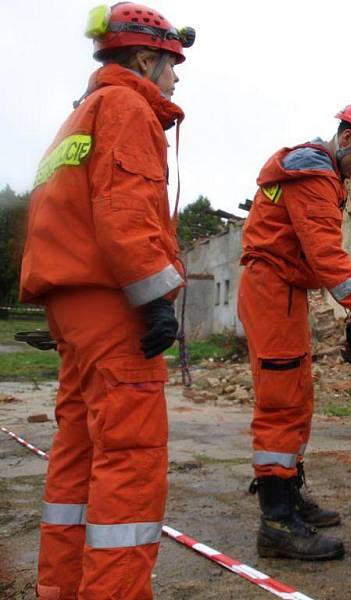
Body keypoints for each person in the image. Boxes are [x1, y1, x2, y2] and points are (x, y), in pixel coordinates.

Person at [18, 3, 195, 598]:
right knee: (129, 460)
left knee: (76, 459)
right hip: (114, 306)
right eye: (172, 65)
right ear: (145, 59)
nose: (174, 79)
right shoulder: (127, 107)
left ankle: (62, 590)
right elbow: (126, 214)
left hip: (73, 308)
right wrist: (155, 299)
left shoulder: (80, 117)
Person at [239, 102, 351, 561]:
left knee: (296, 397)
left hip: (283, 290)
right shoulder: (315, 177)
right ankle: (276, 523)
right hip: (273, 290)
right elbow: (329, 261)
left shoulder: (319, 174)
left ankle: (289, 499)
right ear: (346, 138)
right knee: (281, 402)